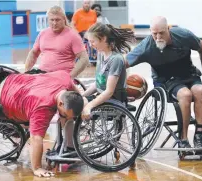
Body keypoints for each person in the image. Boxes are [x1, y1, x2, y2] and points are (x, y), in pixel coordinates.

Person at [0, 70, 84, 177]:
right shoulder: (44, 109)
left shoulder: (64, 78)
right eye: (64, 114)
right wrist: (37, 168)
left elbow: (75, 90)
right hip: (0, 99)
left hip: (7, 80)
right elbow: (36, 139)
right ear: (60, 103)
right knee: (32, 128)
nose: (64, 117)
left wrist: (83, 100)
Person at [125, 16, 202, 149]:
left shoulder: (183, 35)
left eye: (162, 32)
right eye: (155, 34)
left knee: (200, 91)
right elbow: (122, 63)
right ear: (150, 32)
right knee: (185, 95)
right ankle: (183, 139)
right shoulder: (146, 47)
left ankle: (199, 133)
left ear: (168, 29)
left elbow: (201, 47)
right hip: (166, 80)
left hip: (188, 74)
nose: (158, 37)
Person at [81, 22, 135, 120]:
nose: (90, 45)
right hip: (103, 97)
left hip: (113, 101)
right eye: (89, 41)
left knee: (75, 105)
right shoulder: (101, 54)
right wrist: (82, 95)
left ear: (103, 39)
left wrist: (89, 106)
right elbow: (98, 84)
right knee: (74, 100)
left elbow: (109, 92)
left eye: (92, 41)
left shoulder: (116, 59)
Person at [25, 5, 89, 79]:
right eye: (52, 20)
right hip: (43, 76)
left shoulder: (73, 35)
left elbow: (84, 59)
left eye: (57, 20)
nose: (54, 23)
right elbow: (33, 53)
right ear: (48, 20)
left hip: (61, 78)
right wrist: (26, 72)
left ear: (64, 19)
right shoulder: (43, 33)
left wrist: (70, 77)